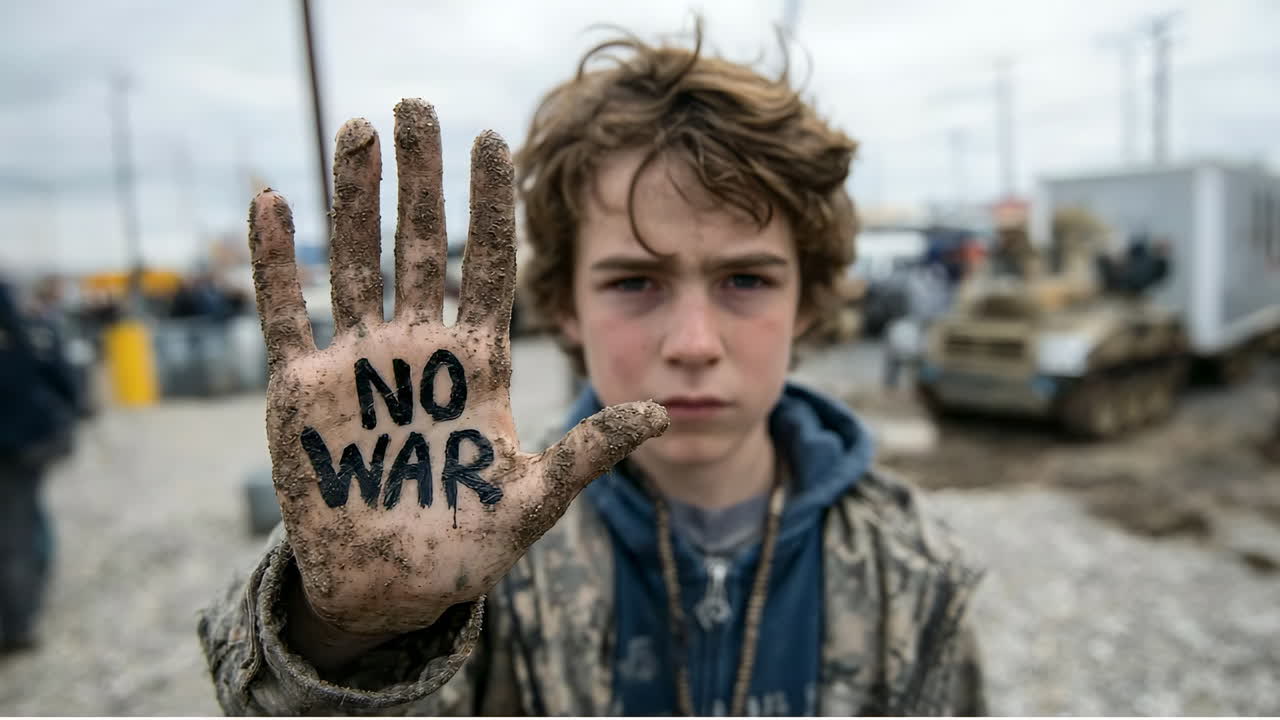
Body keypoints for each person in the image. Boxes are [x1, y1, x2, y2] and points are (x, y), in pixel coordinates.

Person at [199, 24, 985, 716]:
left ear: (809, 299)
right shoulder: (479, 556)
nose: (694, 342)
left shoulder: (909, 571)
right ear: (563, 305)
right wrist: (349, 634)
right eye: (634, 282)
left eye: (746, 279)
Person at [0, 276, 78, 652]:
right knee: (23, 525)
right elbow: (59, 378)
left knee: (19, 529)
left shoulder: (21, 328)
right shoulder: (24, 328)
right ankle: (23, 612)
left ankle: (19, 622)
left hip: (16, 447)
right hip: (23, 444)